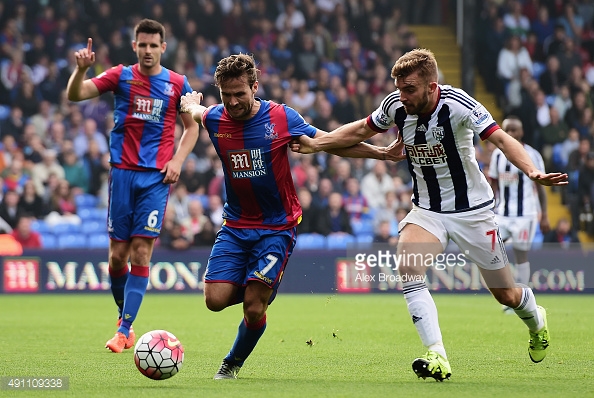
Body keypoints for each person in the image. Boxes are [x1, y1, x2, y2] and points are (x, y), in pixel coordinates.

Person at [291, 48, 568, 381]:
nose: (401, 96)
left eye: (409, 88)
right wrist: (318, 144)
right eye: (399, 88)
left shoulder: (458, 105)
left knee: (505, 293)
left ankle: (535, 319)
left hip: (473, 213)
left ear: (431, 86)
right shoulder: (396, 106)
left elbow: (503, 139)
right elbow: (360, 131)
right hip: (427, 210)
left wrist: (532, 171)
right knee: (407, 265)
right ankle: (436, 354)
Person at [180, 53, 404, 380]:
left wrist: (381, 152)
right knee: (214, 301)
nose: (233, 102)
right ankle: (262, 284)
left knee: (254, 307)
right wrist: (188, 104)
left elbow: (328, 143)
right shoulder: (216, 118)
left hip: (276, 228)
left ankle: (232, 362)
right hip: (235, 226)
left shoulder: (280, 117)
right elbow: (197, 111)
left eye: (240, 93)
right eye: (226, 95)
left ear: (255, 87)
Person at [66, 19, 199, 353]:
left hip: (155, 177)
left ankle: (125, 331)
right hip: (122, 174)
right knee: (116, 258)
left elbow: (192, 127)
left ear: (163, 48)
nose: (149, 50)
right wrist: (80, 70)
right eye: (143, 45)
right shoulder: (120, 76)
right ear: (135, 46)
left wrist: (177, 161)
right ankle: (123, 315)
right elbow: (76, 94)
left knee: (141, 251)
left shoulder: (177, 84)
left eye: (154, 45)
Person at [488, 116, 550, 313]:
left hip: (526, 214)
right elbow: (493, 184)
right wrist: (490, 207)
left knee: (521, 255)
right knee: (492, 250)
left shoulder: (533, 154)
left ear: (521, 132)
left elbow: (540, 187)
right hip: (503, 214)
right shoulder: (497, 155)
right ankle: (508, 293)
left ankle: (519, 300)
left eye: (514, 130)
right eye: (507, 130)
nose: (511, 134)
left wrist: (545, 214)